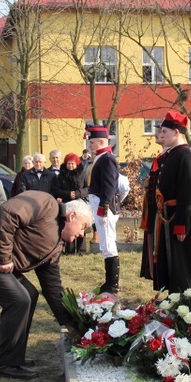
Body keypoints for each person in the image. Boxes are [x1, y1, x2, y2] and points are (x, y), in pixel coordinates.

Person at [0, 193, 91, 379]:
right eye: (83, 227)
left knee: (29, 294)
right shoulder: (45, 204)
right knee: (18, 299)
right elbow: (7, 214)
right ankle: (5, 364)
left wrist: (70, 325)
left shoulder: (56, 245)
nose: (82, 234)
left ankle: (10, 355)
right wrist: (3, 258)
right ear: (72, 216)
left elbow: (52, 287)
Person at [153, 110, 191, 292]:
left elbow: (188, 193)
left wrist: (182, 224)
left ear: (177, 133)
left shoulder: (185, 155)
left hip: (179, 217)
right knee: (170, 264)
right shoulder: (172, 154)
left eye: (164, 132)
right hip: (168, 216)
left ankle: (182, 302)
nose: (161, 135)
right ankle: (171, 300)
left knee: (180, 266)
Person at [86, 124, 121, 293]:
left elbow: (109, 185)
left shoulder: (107, 158)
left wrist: (104, 206)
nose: (89, 145)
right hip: (99, 204)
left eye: (91, 142)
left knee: (108, 244)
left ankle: (112, 284)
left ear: (100, 141)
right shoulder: (101, 157)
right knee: (105, 243)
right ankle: (110, 282)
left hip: (103, 205)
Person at [140, 122, 168, 281]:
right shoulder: (161, 156)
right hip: (153, 210)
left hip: (163, 212)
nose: (157, 134)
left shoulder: (170, 157)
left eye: (161, 131)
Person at [54, 153, 89, 254]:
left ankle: (81, 250)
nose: (70, 166)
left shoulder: (83, 173)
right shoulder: (61, 175)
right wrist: (69, 194)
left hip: (81, 203)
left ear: (77, 164)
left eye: (72, 164)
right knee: (69, 226)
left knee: (81, 226)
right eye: (68, 164)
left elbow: (87, 188)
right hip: (67, 203)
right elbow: (57, 190)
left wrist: (78, 194)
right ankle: (69, 250)